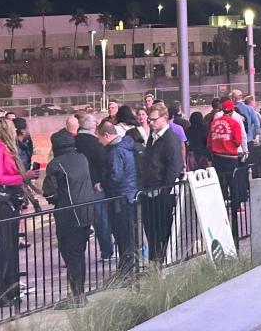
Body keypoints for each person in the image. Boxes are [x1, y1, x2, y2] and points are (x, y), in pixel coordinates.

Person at [0, 118, 39, 308]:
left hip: (7, 199)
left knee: (10, 245)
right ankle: (2, 291)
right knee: (6, 245)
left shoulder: (3, 148)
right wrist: (23, 176)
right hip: (0, 200)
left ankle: (10, 288)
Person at [43, 130, 93, 309]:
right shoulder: (82, 158)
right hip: (87, 212)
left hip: (69, 215)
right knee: (79, 255)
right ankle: (80, 294)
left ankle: (77, 295)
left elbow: (50, 193)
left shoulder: (55, 164)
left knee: (71, 255)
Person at [140, 103, 184, 265]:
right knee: (151, 230)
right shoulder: (154, 136)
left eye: (153, 120)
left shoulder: (170, 138)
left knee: (162, 230)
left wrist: (165, 190)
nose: (150, 123)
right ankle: (154, 261)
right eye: (149, 120)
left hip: (161, 192)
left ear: (164, 118)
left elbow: (174, 166)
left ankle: (163, 262)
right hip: (149, 190)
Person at [97, 120, 138, 278]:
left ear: (106, 135)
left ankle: (126, 270)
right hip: (129, 194)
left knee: (123, 235)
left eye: (100, 138)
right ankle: (127, 267)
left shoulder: (115, 151)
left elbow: (116, 175)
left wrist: (103, 184)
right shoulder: (126, 147)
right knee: (127, 235)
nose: (99, 142)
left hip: (120, 197)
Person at [74, 114, 114, 260]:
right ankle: (106, 251)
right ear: (93, 126)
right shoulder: (96, 143)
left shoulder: (74, 141)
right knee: (101, 220)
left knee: (80, 221)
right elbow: (104, 163)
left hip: (78, 187)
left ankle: (76, 255)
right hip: (96, 186)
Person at [208, 100, 244, 202]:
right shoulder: (235, 123)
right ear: (232, 110)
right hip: (231, 158)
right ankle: (234, 210)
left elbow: (209, 141)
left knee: (220, 184)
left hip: (217, 158)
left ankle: (222, 206)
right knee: (233, 184)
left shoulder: (214, 122)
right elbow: (238, 141)